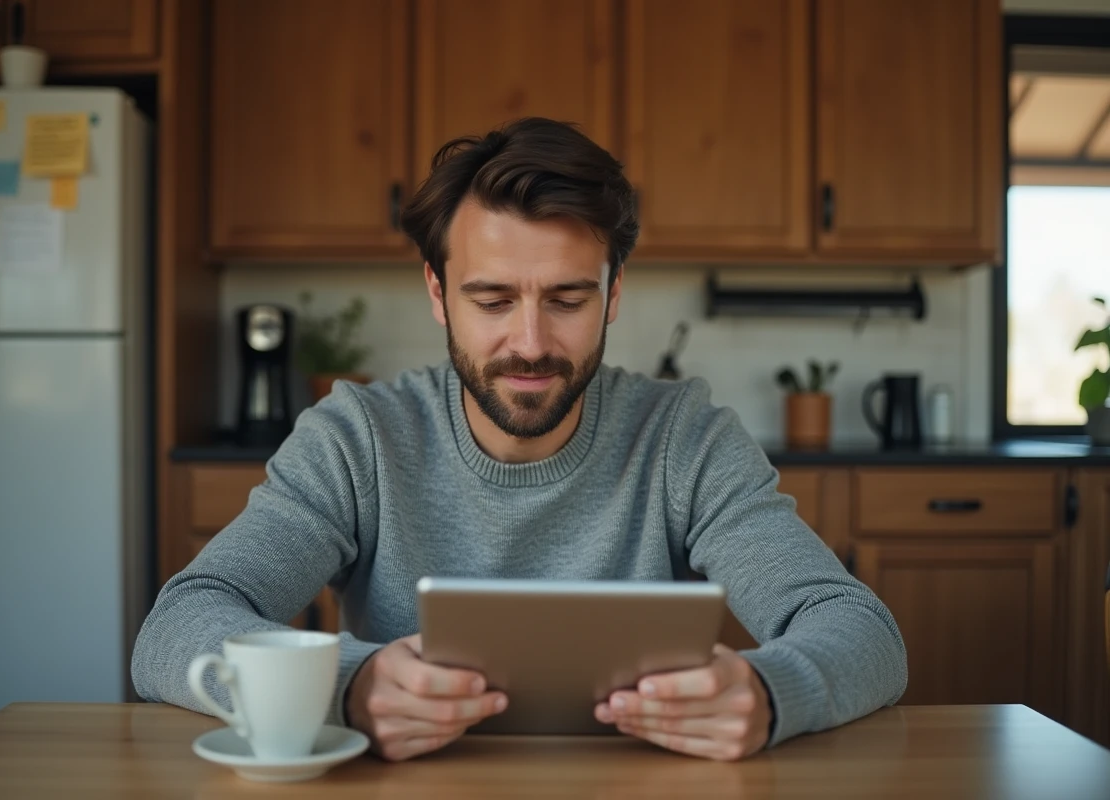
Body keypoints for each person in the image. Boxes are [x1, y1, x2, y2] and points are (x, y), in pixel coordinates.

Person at [132, 117, 907, 763]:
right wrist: (352, 685)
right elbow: (178, 624)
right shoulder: (357, 439)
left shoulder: (685, 439)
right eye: (493, 300)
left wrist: (771, 692)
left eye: (567, 299)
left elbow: (861, 630)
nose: (530, 344)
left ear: (613, 294)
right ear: (438, 293)